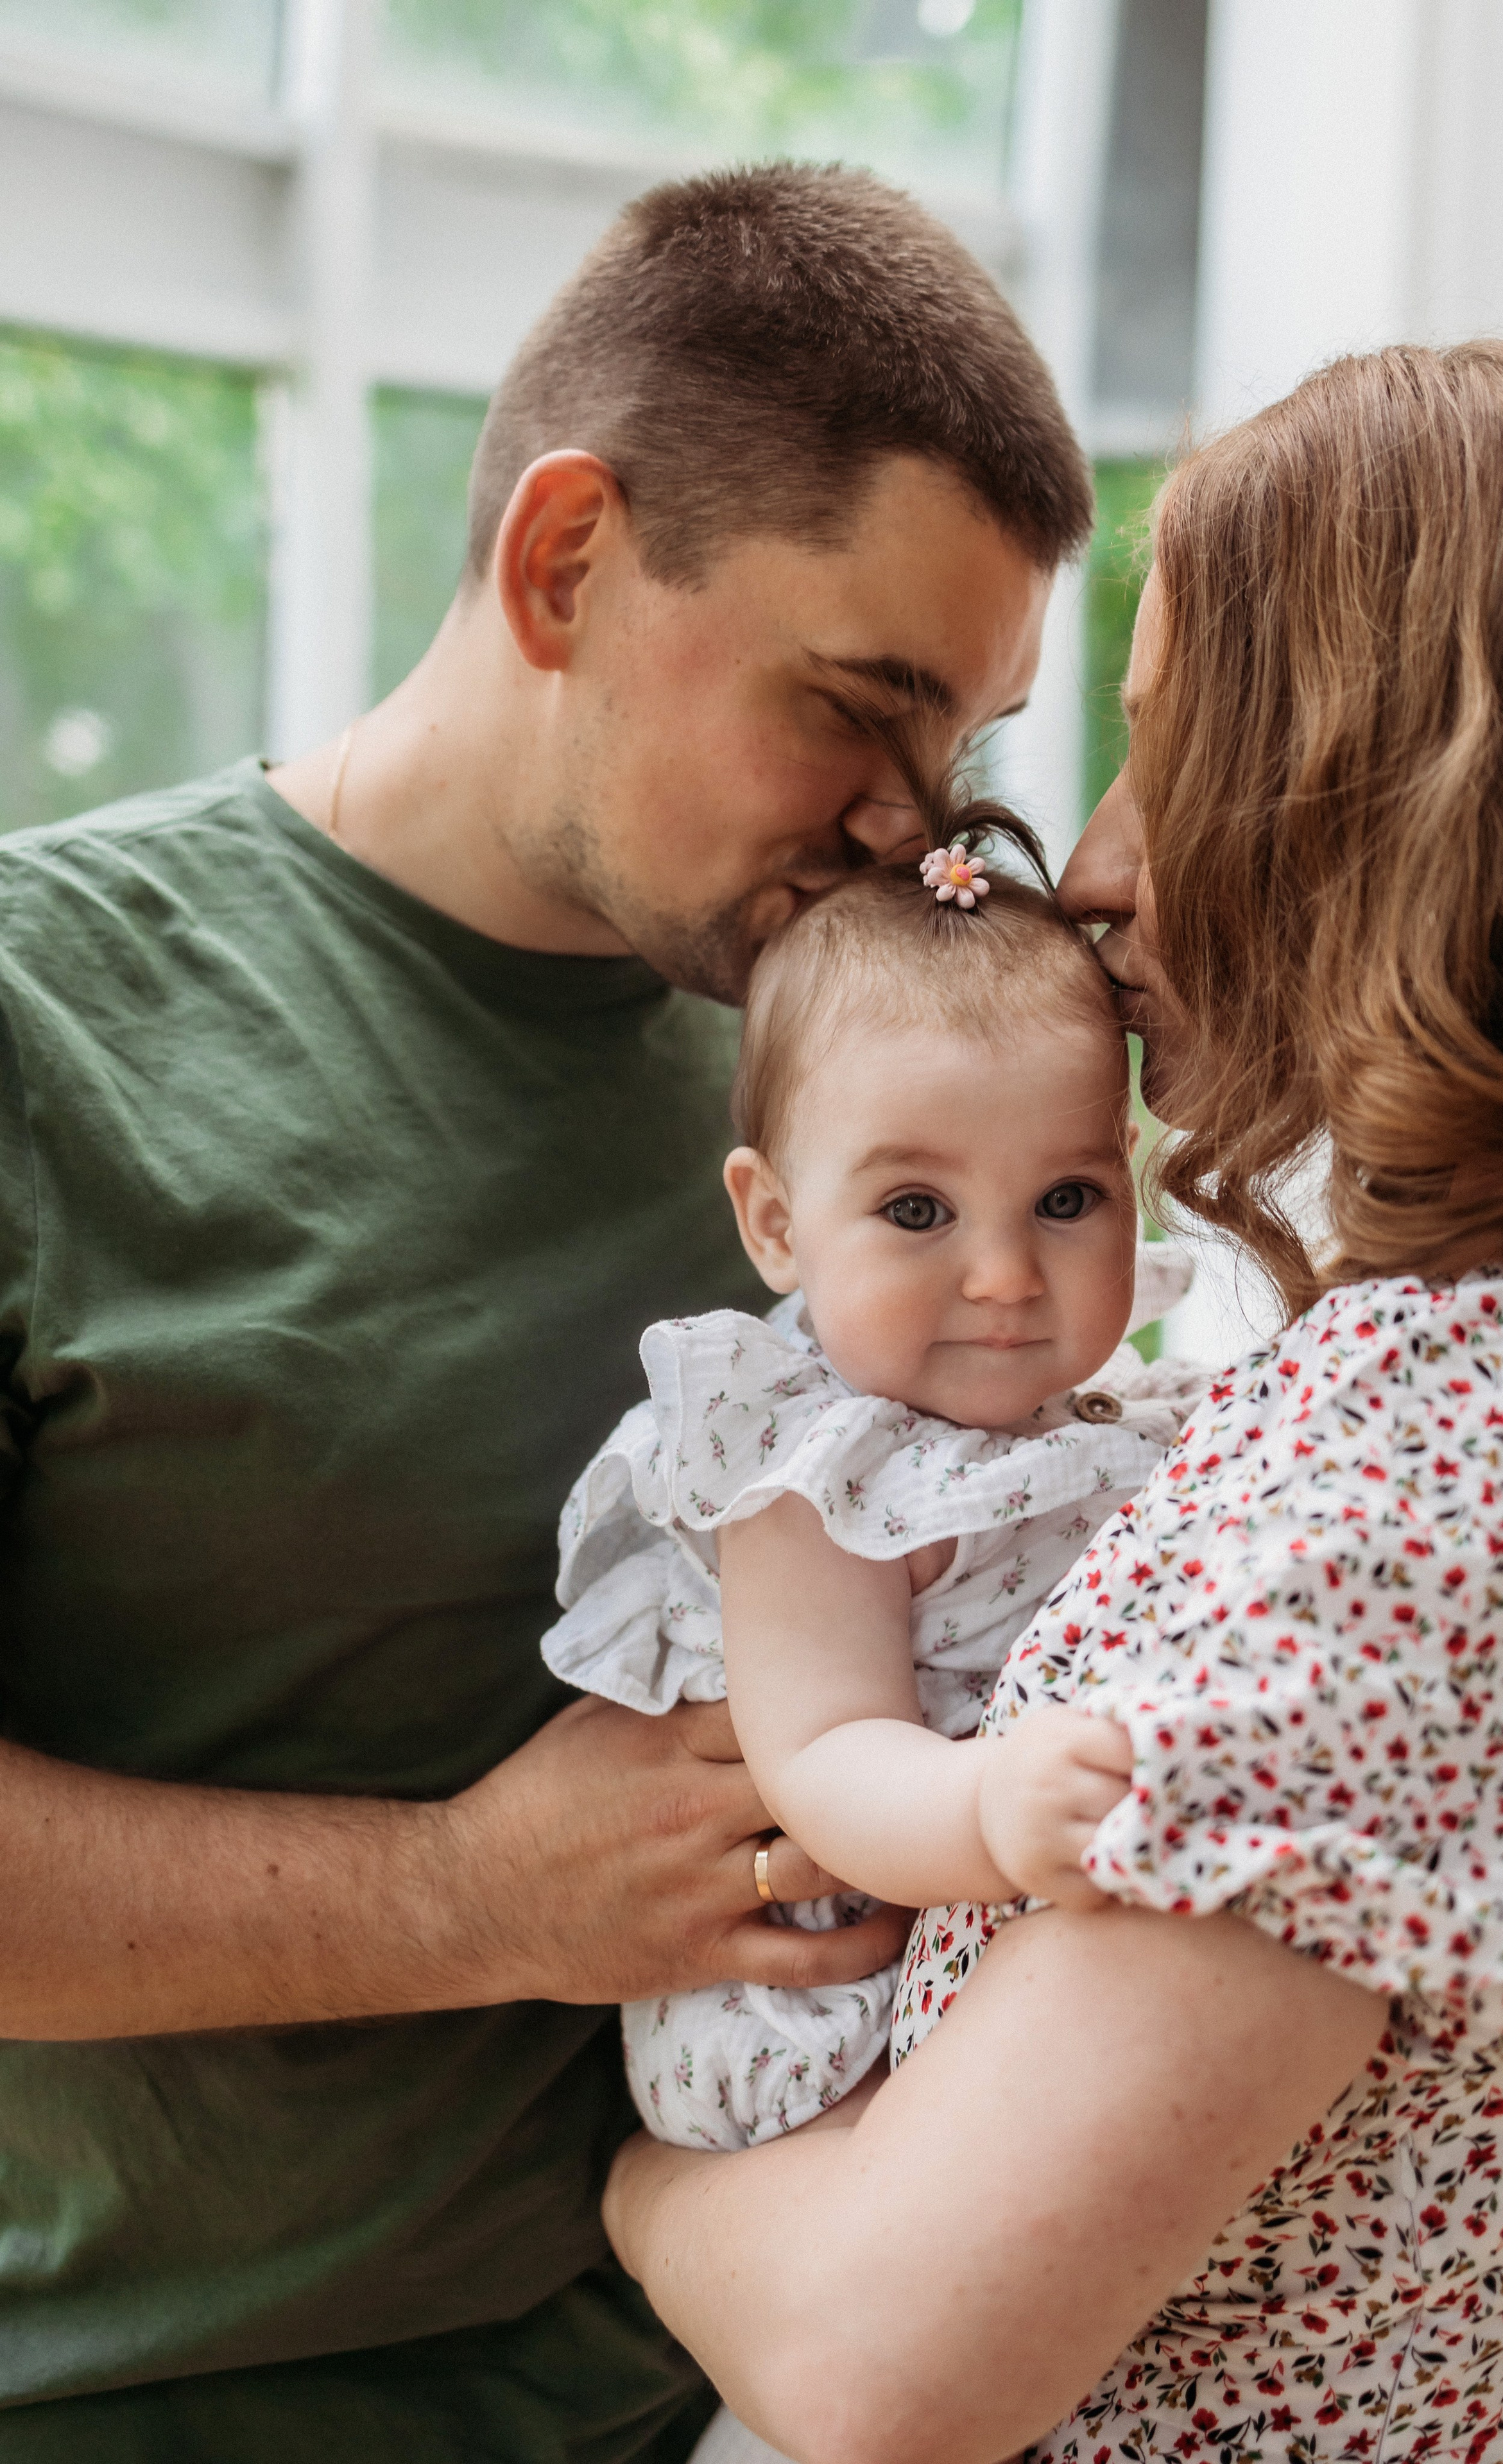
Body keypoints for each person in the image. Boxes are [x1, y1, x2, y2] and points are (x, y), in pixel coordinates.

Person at [0, 164, 1094, 2456]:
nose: (915, 841)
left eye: (964, 753)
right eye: (855, 711)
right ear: (567, 560)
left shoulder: (884, 1101)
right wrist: (462, 1898)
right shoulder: (45, 1018)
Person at [601, 337, 1503, 2464]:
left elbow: (889, 2371)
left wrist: (638, 2187)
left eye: (1172, 753)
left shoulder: (1431, 1463)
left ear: (1407, 805)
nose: (1087, 866)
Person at [544, 766, 1202, 2152]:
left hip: (1004, 1930)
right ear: (774, 1223)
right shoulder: (813, 1475)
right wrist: (986, 1806)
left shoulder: (1109, 1419)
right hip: (827, 2002)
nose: (1006, 1274)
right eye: (917, 1208)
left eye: (1067, 1199)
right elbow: (823, 1756)